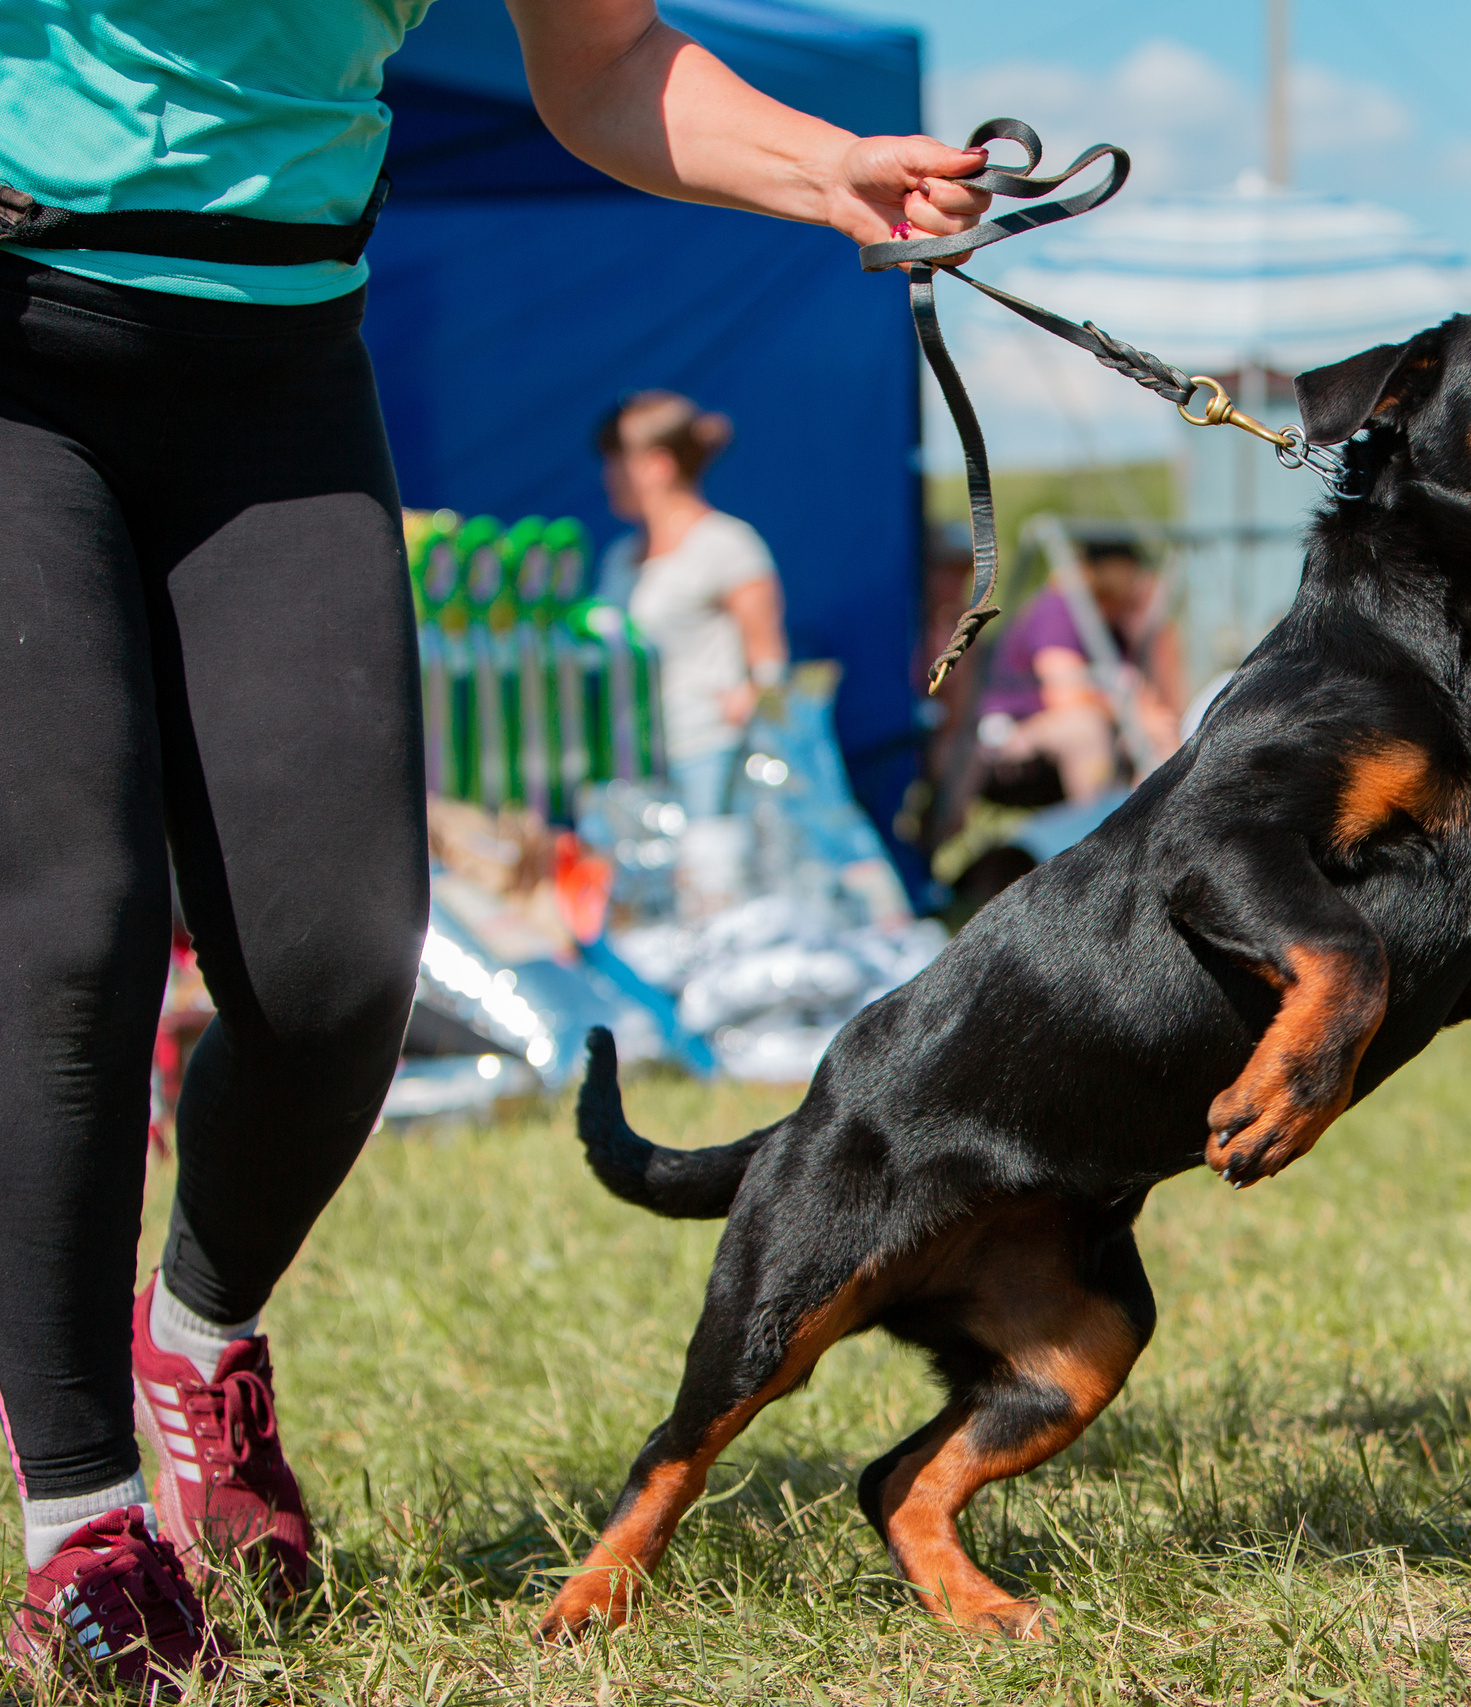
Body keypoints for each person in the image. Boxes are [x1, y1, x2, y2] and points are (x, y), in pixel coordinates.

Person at [0, 0, 988, 1686]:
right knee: (71, 934)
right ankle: (82, 1529)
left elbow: (602, 62)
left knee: (338, 968)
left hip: (276, 369)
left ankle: (200, 1337)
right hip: (20, 340)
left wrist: (827, 164)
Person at [593, 392, 786, 822]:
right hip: (630, 765)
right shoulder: (618, 558)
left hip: (707, 758)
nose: (608, 476)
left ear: (659, 465)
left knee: (708, 881)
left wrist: (746, 708)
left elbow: (769, 663)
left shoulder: (728, 545)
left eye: (618, 460)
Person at [976, 537, 1184, 806]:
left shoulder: (1116, 623)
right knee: (1087, 729)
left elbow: (1166, 704)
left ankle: (1156, 827)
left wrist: (1156, 630)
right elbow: (1066, 696)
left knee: (1164, 737)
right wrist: (1137, 715)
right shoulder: (1059, 609)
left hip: (1094, 727)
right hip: (1015, 729)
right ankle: (1098, 833)